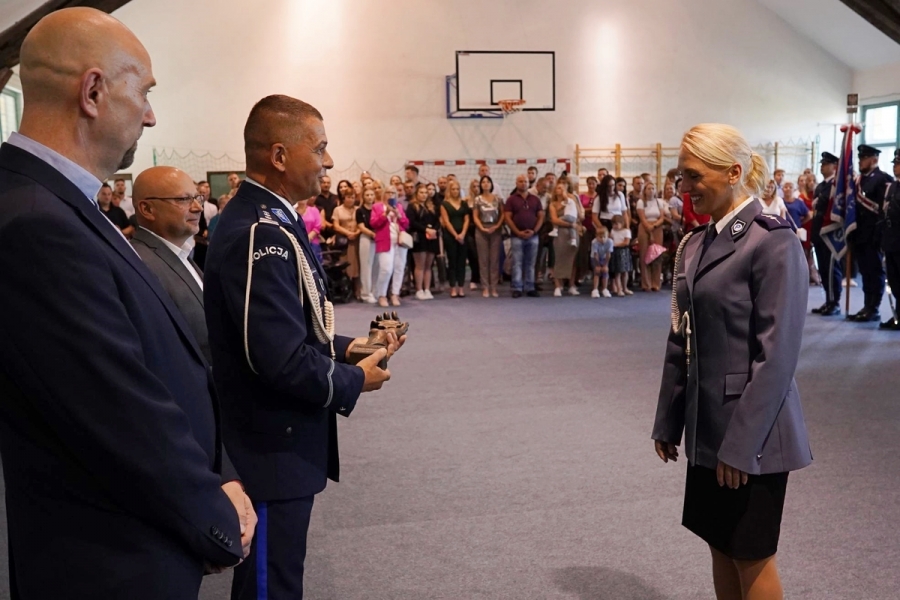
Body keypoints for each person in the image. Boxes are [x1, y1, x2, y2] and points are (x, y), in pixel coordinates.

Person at [0, 8, 253, 598]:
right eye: (143, 91)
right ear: (92, 91)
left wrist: (223, 475)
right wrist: (213, 517)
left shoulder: (58, 203)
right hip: (108, 558)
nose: (150, 113)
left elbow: (161, 363)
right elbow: (117, 410)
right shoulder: (35, 222)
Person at [204, 95, 402, 600]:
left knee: (281, 573)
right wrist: (355, 380)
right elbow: (275, 358)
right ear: (278, 156)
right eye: (320, 148)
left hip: (280, 437)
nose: (329, 162)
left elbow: (291, 328)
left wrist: (351, 347)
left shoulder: (272, 217)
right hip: (270, 444)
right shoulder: (259, 229)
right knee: (271, 583)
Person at [653, 123, 811, 600]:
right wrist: (669, 417)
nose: (685, 188)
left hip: (752, 434)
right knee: (720, 545)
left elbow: (777, 357)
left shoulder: (773, 242)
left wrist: (742, 446)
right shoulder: (697, 244)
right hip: (707, 428)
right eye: (680, 177)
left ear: (734, 172)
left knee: (751, 554)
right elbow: (683, 338)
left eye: (694, 176)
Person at [131, 167, 209, 360]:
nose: (197, 207)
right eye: (183, 199)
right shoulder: (140, 264)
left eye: (197, 197)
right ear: (147, 209)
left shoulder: (181, 254)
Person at [850, 144, 894, 322]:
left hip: (873, 234)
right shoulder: (859, 180)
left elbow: (884, 209)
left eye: (865, 158)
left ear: (874, 159)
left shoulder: (883, 178)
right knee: (865, 271)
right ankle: (868, 305)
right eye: (860, 158)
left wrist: (879, 234)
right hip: (860, 233)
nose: (861, 161)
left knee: (874, 271)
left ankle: (874, 307)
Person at [810, 152, 842, 316]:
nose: (822, 166)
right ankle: (828, 300)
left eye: (826, 164)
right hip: (819, 231)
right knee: (823, 269)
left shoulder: (836, 186)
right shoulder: (821, 186)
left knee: (831, 269)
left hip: (830, 233)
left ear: (834, 167)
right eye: (822, 164)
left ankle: (834, 302)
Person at [372, 176, 411, 307]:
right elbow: (374, 223)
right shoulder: (377, 207)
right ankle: (382, 294)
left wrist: (399, 216)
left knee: (399, 268)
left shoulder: (399, 206)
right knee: (386, 269)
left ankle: (395, 294)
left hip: (399, 242)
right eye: (388, 192)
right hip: (384, 242)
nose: (391, 195)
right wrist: (385, 213)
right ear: (384, 194)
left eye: (393, 192)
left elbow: (406, 224)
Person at [505, 174, 544, 297]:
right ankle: (517, 287)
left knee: (531, 263)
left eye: (525, 181)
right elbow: (507, 217)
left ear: (529, 183)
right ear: (516, 183)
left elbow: (541, 216)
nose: (523, 183)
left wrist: (534, 231)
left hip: (533, 236)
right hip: (517, 236)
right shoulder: (511, 199)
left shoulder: (535, 199)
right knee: (517, 263)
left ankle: (530, 286)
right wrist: (517, 232)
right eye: (520, 181)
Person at [472, 175, 503, 297]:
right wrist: (481, 227)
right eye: (483, 182)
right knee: (483, 260)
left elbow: (502, 215)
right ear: (481, 185)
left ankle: (494, 287)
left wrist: (496, 226)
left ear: (491, 184)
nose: (485, 184)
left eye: (488, 182)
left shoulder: (498, 199)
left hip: (495, 229)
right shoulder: (477, 199)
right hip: (481, 229)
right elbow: (475, 216)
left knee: (494, 260)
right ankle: (485, 287)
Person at [407, 183, 440, 300]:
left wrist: (434, 230)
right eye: (421, 192)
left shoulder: (432, 206)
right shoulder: (412, 206)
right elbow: (412, 222)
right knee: (420, 265)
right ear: (417, 193)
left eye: (426, 193)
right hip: (419, 238)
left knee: (428, 266)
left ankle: (427, 289)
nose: (424, 195)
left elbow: (437, 220)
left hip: (431, 238)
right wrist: (425, 229)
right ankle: (419, 289)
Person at [548, 181, 581, 296]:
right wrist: (570, 225)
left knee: (572, 259)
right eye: (558, 188)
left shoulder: (571, 201)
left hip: (572, 234)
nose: (560, 190)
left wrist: (573, 200)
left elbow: (579, 216)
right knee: (559, 259)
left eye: (563, 188)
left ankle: (571, 285)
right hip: (560, 233)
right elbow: (554, 220)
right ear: (555, 191)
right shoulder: (553, 204)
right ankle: (558, 286)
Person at [637, 181, 670, 292]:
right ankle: (646, 283)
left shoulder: (659, 202)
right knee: (645, 255)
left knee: (656, 255)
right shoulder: (641, 202)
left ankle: (655, 283)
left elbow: (662, 217)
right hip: (645, 227)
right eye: (649, 188)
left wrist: (655, 225)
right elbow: (642, 218)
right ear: (645, 191)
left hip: (657, 228)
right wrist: (649, 229)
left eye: (653, 188)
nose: (651, 190)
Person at [439, 178, 470, 298]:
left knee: (462, 262)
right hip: (450, 236)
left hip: (463, 235)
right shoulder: (444, 204)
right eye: (453, 189)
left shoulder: (464, 203)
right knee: (452, 261)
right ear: (449, 190)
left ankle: (461, 287)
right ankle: (452, 287)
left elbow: (467, 219)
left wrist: (462, 234)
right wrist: (456, 235)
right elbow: (446, 221)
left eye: (457, 189)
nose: (455, 191)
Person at [880, 148, 900, 330]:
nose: (896, 167)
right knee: (894, 281)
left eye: (898, 164)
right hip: (891, 241)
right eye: (894, 164)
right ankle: (898, 316)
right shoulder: (892, 186)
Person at [331, 183, 361, 297]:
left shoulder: (358, 209)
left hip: (356, 240)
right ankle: (346, 290)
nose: (350, 199)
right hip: (344, 241)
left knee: (357, 265)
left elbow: (362, 224)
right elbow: (336, 226)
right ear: (344, 198)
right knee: (346, 265)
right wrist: (348, 233)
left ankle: (357, 291)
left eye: (353, 197)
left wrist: (356, 233)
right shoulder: (337, 210)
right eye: (348, 197)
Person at [356, 187, 379, 303]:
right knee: (366, 266)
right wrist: (371, 234)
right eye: (367, 195)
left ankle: (374, 291)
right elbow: (361, 226)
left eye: (371, 195)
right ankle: (365, 293)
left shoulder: (377, 209)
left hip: (378, 238)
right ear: (363, 197)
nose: (370, 197)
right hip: (366, 237)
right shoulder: (360, 210)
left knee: (376, 266)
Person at [797, 173, 820, 286]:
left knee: (813, 253)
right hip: (805, 227)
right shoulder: (801, 197)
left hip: (816, 227)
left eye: (813, 180)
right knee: (805, 253)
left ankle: (814, 275)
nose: (811, 183)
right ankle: (805, 276)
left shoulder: (817, 195)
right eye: (809, 181)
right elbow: (803, 214)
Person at [296, 194, 324, 265]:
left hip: (313, 243)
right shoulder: (292, 211)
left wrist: (307, 238)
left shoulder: (314, 210)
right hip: (297, 243)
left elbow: (317, 226)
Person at [609, 214, 633, 296]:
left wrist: (615, 245)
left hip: (623, 252)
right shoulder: (612, 231)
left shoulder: (626, 231)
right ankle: (619, 289)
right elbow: (610, 240)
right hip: (615, 252)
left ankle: (625, 287)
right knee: (617, 272)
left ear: (622, 223)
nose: (614, 226)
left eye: (616, 224)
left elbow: (626, 242)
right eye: (613, 224)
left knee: (625, 272)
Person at [590, 225, 613, 298]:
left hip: (604, 258)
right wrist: (598, 265)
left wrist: (605, 265)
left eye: (604, 237)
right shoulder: (594, 242)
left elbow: (608, 255)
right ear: (596, 236)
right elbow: (595, 254)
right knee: (597, 272)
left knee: (605, 271)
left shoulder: (610, 242)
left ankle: (605, 289)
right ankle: (595, 290)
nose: (602, 239)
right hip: (595, 258)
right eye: (600, 237)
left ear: (607, 236)